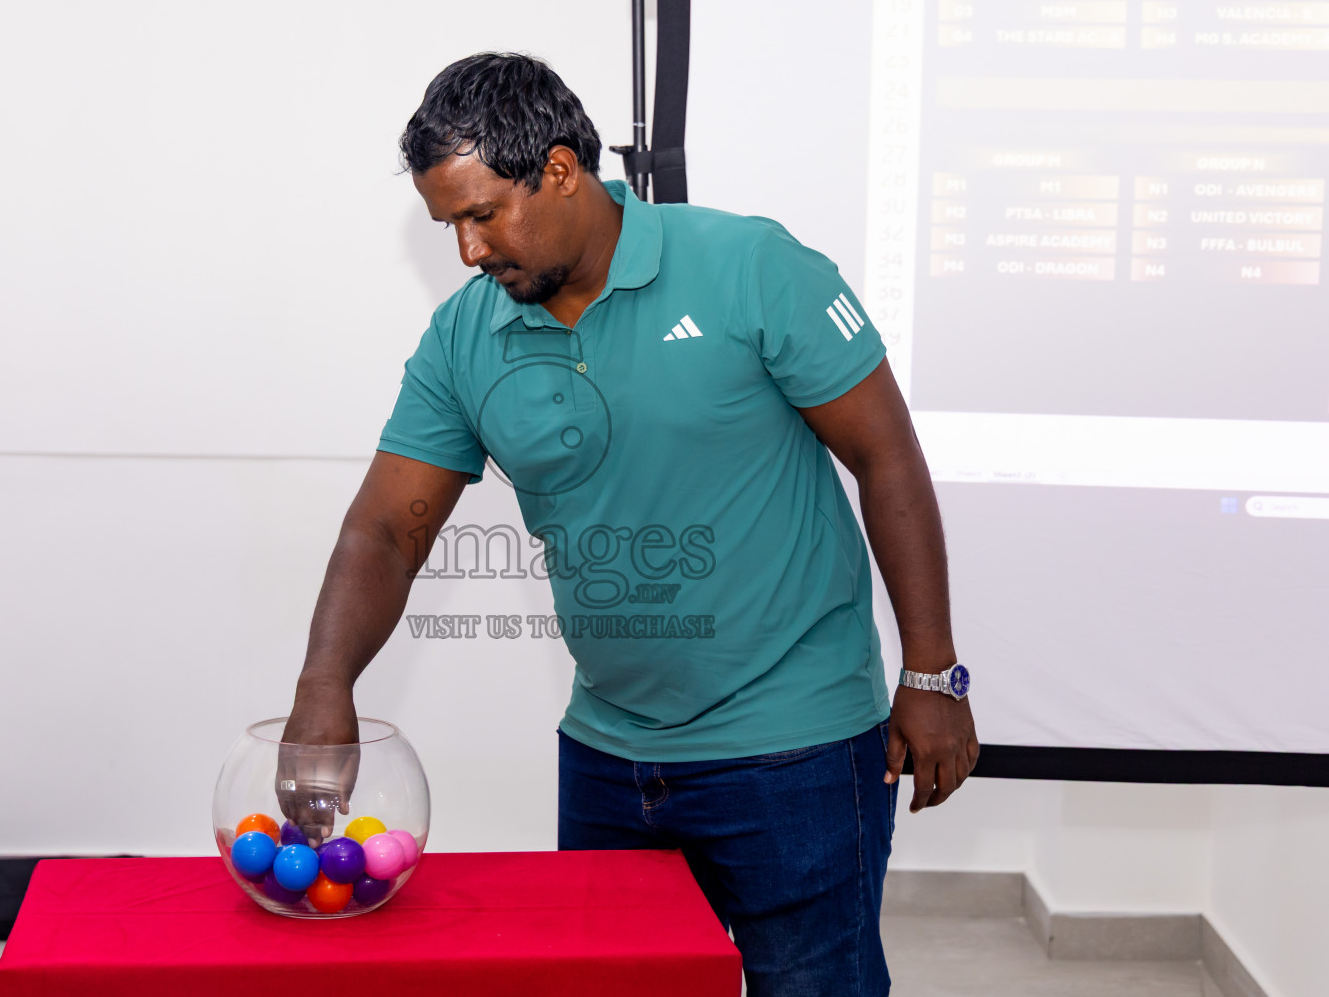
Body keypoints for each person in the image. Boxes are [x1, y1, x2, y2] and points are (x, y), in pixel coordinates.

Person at [279, 52, 978, 996]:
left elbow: (885, 457)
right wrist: (325, 686)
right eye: (450, 225)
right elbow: (385, 531)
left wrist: (930, 670)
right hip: (610, 758)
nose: (468, 252)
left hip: (796, 752)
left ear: (562, 170)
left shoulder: (751, 267)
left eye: (482, 215)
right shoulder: (463, 337)